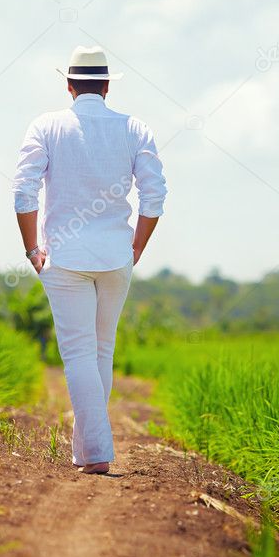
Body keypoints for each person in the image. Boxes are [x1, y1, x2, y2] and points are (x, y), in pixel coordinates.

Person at [12, 45, 168, 475]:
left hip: (64, 257)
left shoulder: (47, 126)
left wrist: (31, 249)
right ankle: (85, 450)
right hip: (116, 256)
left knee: (80, 352)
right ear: (105, 86)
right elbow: (154, 197)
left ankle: (97, 451)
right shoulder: (134, 128)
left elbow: (24, 192)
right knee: (101, 350)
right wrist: (137, 247)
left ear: (69, 86)